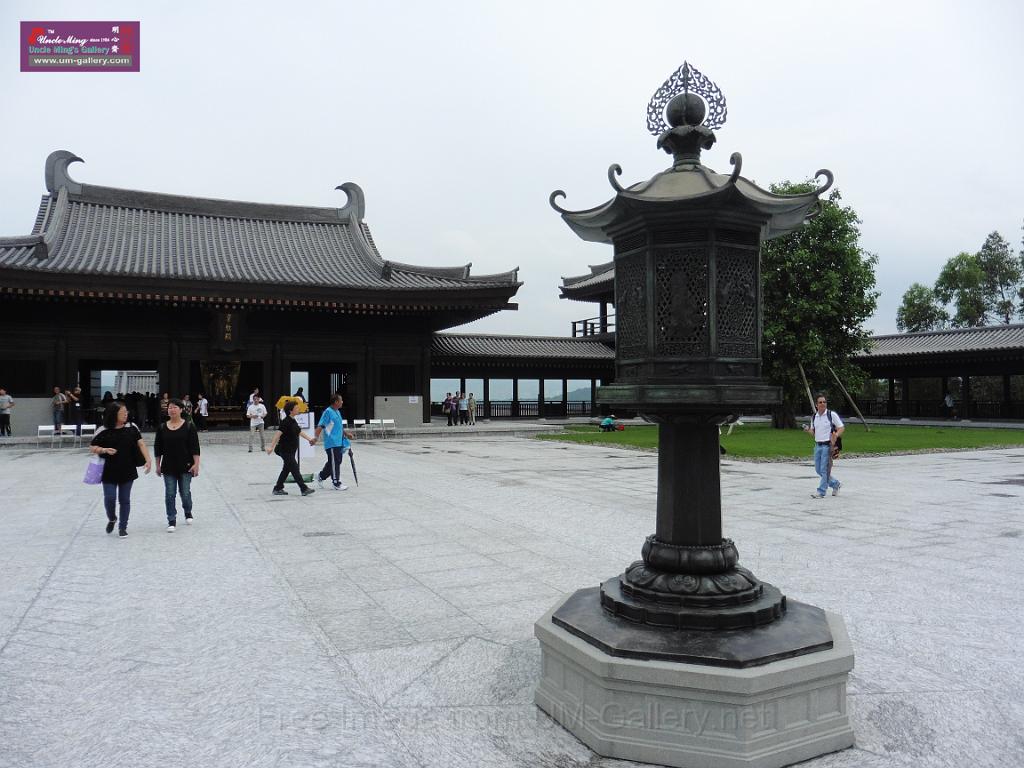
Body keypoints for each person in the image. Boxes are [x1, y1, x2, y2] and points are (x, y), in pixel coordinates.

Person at [90, 401, 152, 537]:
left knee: (125, 499)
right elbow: (92, 448)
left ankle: (123, 527)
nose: (126, 415)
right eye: (122, 413)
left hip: (127, 468)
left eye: (126, 412)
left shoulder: (132, 427)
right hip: (108, 470)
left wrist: (148, 459)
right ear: (114, 414)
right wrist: (104, 449)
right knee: (110, 497)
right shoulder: (103, 430)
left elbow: (141, 444)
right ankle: (112, 518)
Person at [154, 398, 201, 531]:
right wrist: (158, 465)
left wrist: (196, 464)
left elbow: (195, 447)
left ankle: (187, 511)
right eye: (170, 407)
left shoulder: (188, 426)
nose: (172, 409)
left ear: (181, 410)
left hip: (186, 465)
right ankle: (171, 519)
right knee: (170, 493)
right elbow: (158, 448)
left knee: (185, 493)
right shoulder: (162, 427)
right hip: (168, 466)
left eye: (175, 407)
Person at [266, 400, 315, 497]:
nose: (298, 409)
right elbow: (277, 434)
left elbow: (299, 432)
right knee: (295, 468)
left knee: (286, 469)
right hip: (285, 450)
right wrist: (271, 447)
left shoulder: (293, 420)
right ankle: (303, 488)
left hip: (291, 450)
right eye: (296, 408)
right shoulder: (285, 422)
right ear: (290, 411)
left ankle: (278, 488)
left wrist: (310, 439)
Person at [803, 394, 844, 499]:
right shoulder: (814, 417)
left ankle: (821, 491)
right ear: (816, 405)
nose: (822, 404)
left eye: (824, 402)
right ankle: (835, 484)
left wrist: (836, 435)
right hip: (817, 446)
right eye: (820, 402)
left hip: (827, 446)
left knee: (824, 469)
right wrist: (808, 430)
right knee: (818, 469)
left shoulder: (831, 415)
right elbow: (814, 433)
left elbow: (841, 427)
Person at [311, 393, 354, 490]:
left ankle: (320, 476)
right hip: (331, 442)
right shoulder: (328, 412)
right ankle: (336, 482)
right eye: (341, 400)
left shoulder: (337, 411)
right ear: (336, 402)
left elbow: (339, 426)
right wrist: (315, 438)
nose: (342, 402)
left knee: (333, 462)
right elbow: (320, 425)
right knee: (335, 462)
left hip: (339, 441)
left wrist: (346, 434)